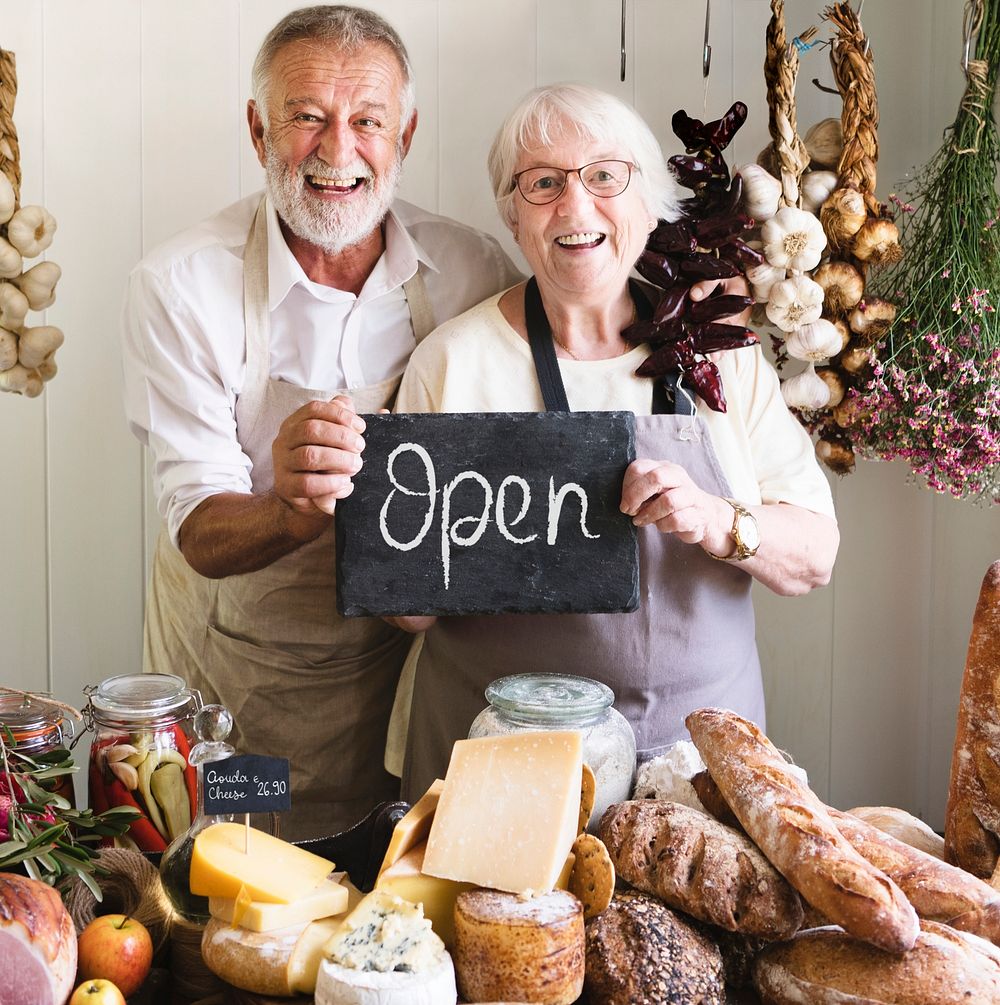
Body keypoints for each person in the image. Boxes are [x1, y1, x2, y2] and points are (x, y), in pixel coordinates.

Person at [120, 5, 520, 840]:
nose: (338, 152)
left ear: (404, 135)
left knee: (380, 877)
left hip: (396, 665)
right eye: (306, 117)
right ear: (258, 129)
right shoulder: (183, 285)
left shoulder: (471, 271)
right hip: (238, 665)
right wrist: (292, 506)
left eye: (366, 120)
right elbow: (198, 526)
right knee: (231, 875)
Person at [392, 83, 840, 803]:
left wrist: (719, 520)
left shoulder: (719, 352)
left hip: (698, 773)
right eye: (542, 184)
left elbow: (814, 556)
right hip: (498, 770)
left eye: (605, 175)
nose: (575, 208)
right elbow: (406, 608)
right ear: (512, 214)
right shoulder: (452, 364)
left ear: (648, 198)